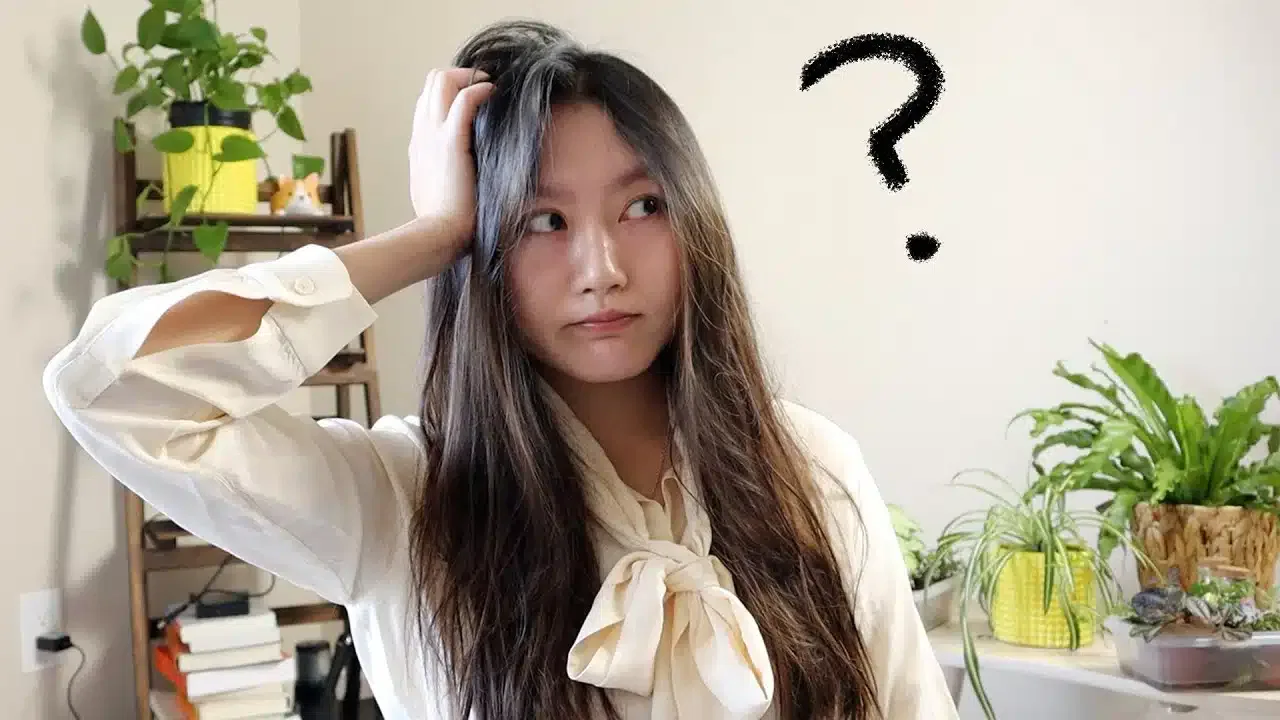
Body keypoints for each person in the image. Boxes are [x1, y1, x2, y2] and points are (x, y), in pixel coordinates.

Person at [43, 19, 958, 720]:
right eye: (542, 221)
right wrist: (429, 237)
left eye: (643, 206)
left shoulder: (810, 467)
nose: (601, 268)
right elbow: (112, 388)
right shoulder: (402, 501)